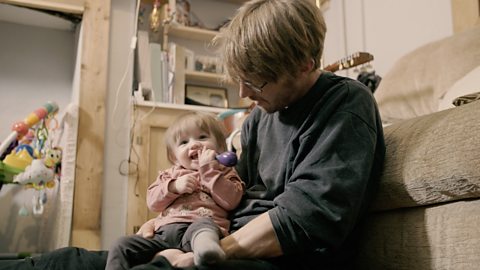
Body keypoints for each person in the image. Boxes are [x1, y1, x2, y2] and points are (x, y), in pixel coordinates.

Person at [0, 1, 385, 269]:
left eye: (256, 82)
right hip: (207, 239)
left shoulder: (346, 106)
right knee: (65, 261)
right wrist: (168, 224)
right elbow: (231, 197)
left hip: (273, 259)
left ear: (305, 64)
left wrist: (207, 252)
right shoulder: (258, 119)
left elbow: (306, 220)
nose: (243, 95)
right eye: (239, 80)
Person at [105, 111, 245, 269]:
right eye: (184, 142)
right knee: (121, 244)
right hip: (162, 234)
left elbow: (231, 201)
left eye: (202, 137)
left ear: (220, 147)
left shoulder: (224, 171)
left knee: (205, 228)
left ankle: (207, 252)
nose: (194, 144)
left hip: (198, 229)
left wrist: (209, 171)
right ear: (174, 157)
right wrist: (173, 187)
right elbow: (153, 203)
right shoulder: (170, 175)